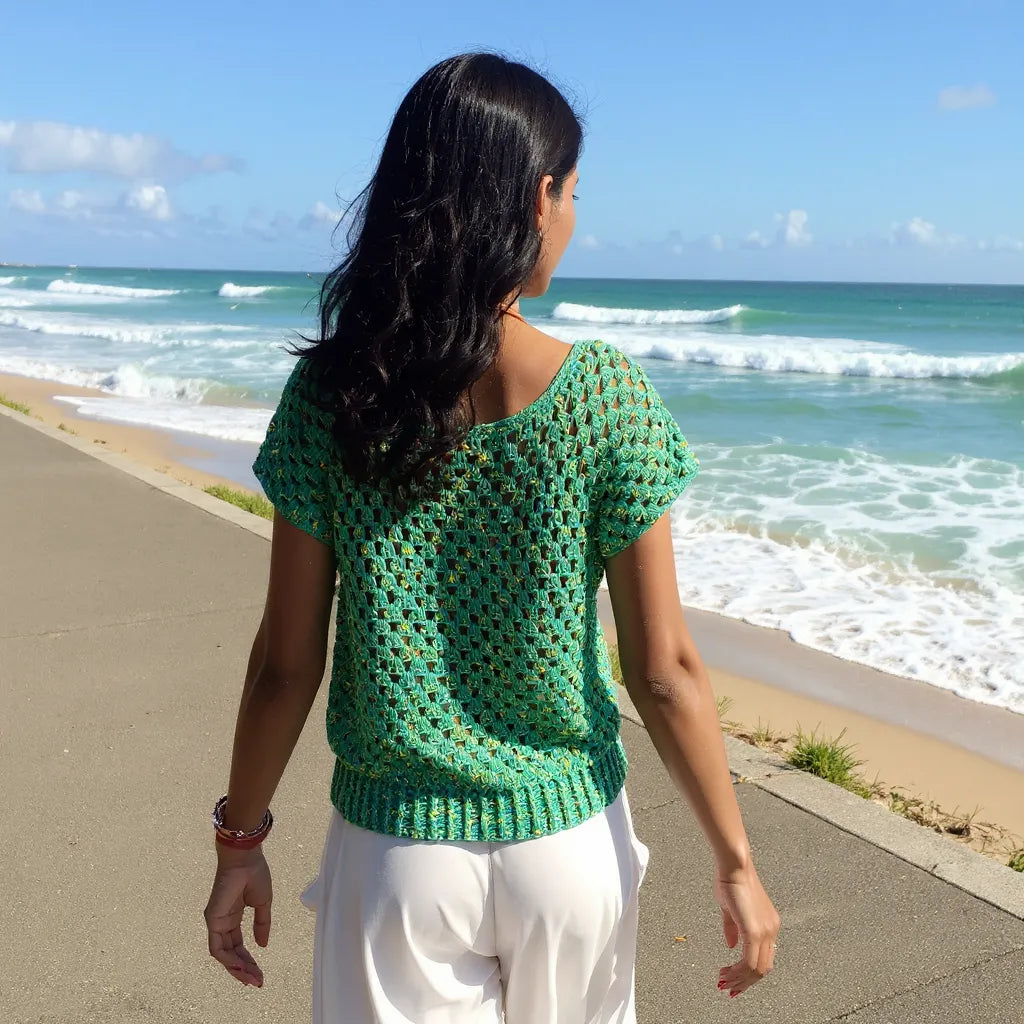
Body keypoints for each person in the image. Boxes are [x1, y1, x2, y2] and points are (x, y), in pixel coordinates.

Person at [203, 51, 779, 1023]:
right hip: (570, 849)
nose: (574, 220)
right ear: (534, 196)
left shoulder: (335, 397)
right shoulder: (606, 396)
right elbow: (666, 668)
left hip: (398, 856)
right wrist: (736, 860)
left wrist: (239, 839)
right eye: (573, 193)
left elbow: (283, 665)